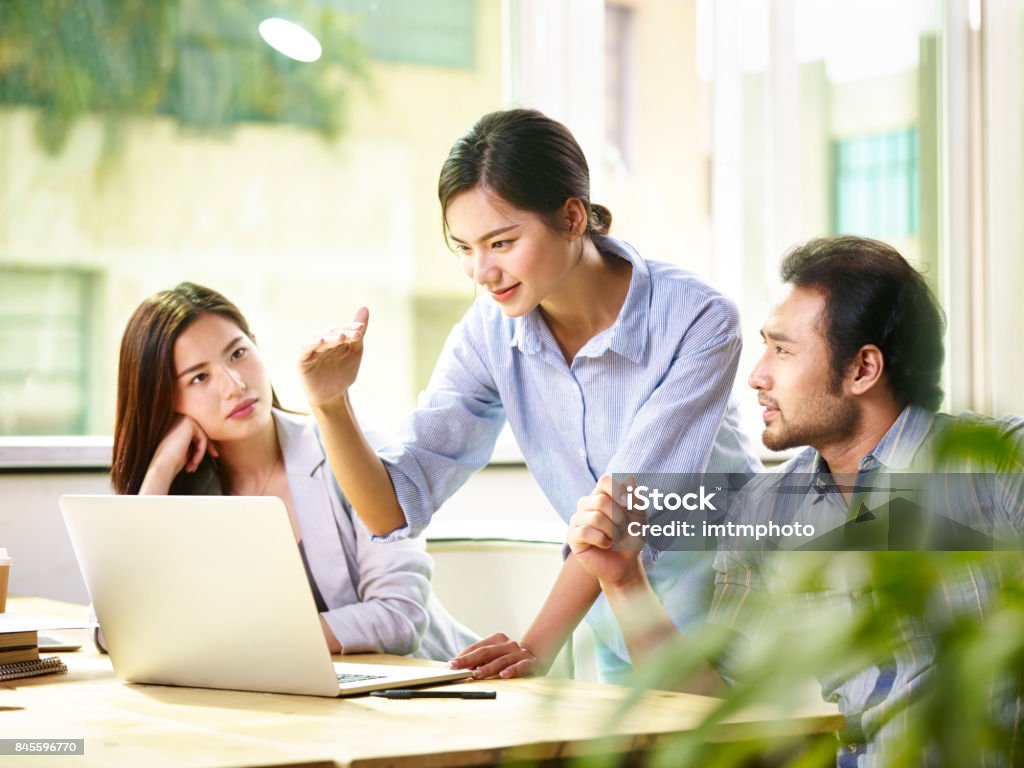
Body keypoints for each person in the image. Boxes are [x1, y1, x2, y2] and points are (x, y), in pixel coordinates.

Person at [298, 108, 761, 682]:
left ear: (572, 217)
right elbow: (391, 508)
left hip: (731, 610)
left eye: (501, 242)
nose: (482, 271)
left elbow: (617, 513)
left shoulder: (699, 320)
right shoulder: (489, 333)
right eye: (464, 247)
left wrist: (536, 647)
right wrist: (331, 404)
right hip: (615, 626)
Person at [568, 236, 1024, 763]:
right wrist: (624, 580)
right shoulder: (767, 509)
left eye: (783, 350)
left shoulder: (997, 466)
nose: (757, 375)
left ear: (862, 369)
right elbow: (724, 708)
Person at [108, 282, 477, 661]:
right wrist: (162, 467)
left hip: (421, 690)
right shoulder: (181, 491)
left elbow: (399, 618)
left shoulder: (353, 445)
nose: (234, 385)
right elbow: (115, 625)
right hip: (278, 703)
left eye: (237, 353)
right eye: (199, 377)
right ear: (165, 399)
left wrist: (229, 642)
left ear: (256, 345)